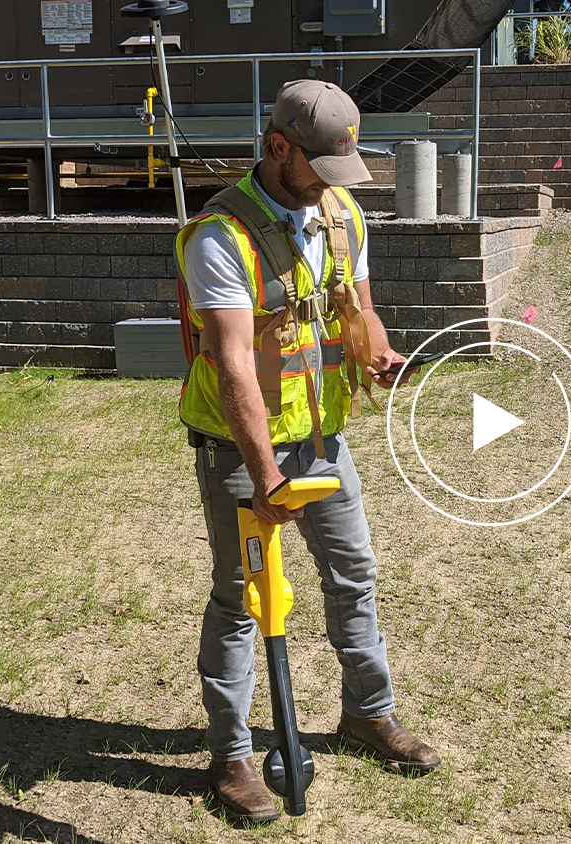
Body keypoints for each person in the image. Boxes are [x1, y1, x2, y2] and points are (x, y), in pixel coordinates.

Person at [173, 79, 441, 824]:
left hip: (323, 439)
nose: (332, 185)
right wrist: (263, 477)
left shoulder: (343, 213)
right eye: (319, 166)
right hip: (240, 446)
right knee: (241, 601)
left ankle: (368, 714)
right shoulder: (220, 237)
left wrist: (378, 358)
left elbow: (359, 311)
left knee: (354, 574)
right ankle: (230, 759)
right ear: (276, 147)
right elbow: (232, 366)